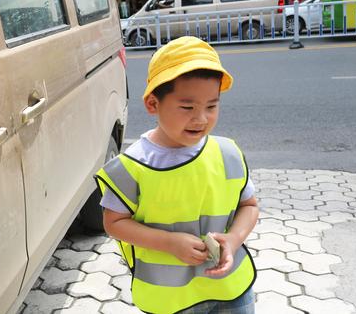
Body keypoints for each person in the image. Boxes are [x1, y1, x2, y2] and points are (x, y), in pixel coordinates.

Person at [96, 36, 258, 314]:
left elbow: (250, 206)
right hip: (170, 300)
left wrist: (233, 240)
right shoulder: (132, 167)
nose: (201, 118)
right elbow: (114, 224)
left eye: (211, 106)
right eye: (187, 107)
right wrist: (169, 243)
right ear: (152, 104)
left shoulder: (227, 153)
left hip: (231, 289)